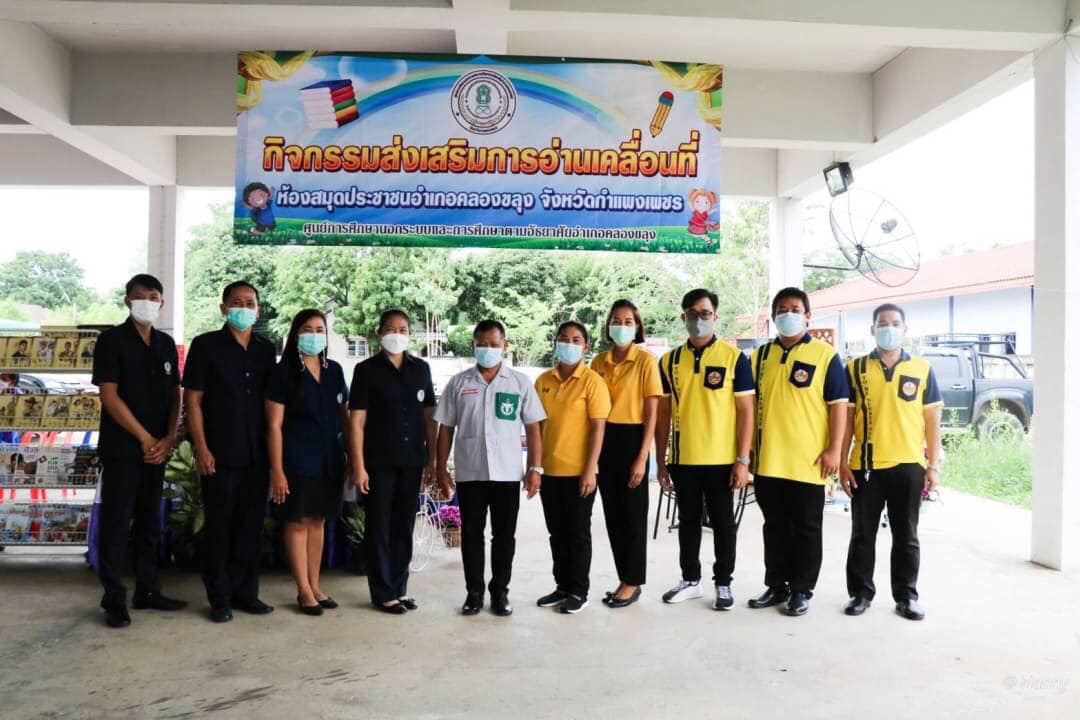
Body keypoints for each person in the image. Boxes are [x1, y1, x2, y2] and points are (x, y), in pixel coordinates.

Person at [748, 287, 849, 617]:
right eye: (781, 309)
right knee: (774, 526)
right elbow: (747, 406)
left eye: (794, 309)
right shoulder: (759, 357)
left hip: (809, 461)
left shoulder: (825, 355)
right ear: (773, 316)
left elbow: (838, 406)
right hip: (768, 460)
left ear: (808, 316)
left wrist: (834, 450)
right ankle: (777, 584)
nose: (787, 314)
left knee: (806, 528)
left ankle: (802, 589)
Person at [434, 320, 545, 616]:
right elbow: (445, 428)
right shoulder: (459, 383)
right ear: (473, 346)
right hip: (470, 472)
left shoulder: (519, 382)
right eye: (482, 344)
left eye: (494, 344)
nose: (488, 349)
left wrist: (535, 468)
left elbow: (533, 427)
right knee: (472, 535)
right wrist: (441, 468)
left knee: (504, 537)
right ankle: (474, 592)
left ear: (504, 346)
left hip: (507, 474)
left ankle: (500, 592)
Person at [839, 303, 943, 621]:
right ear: (872, 330)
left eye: (895, 323)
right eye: (882, 323)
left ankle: (906, 596)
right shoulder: (855, 368)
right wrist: (842, 462)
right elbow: (847, 419)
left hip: (909, 466)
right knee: (862, 535)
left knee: (906, 536)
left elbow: (932, 420)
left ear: (905, 329)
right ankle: (860, 593)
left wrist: (933, 466)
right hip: (866, 466)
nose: (889, 328)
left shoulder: (922, 369)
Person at [92, 273, 184, 629]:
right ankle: (114, 598)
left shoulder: (164, 343)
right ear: (127, 301)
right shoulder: (111, 341)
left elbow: (175, 394)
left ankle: (148, 589)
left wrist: (168, 438)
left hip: (157, 449)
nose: (148, 302)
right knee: (117, 522)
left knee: (149, 521)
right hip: (123, 449)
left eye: (154, 297)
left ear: (162, 303)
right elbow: (109, 396)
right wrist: (145, 438)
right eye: (140, 296)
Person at [182, 281, 277, 623]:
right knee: (220, 527)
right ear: (223, 308)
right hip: (219, 453)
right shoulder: (206, 345)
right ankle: (219, 597)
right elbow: (193, 401)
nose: (244, 308)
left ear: (258, 309)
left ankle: (246, 592)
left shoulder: (265, 349)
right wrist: (202, 448)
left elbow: (272, 406)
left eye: (250, 302)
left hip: (256, 454)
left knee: (250, 527)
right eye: (237, 302)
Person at [655, 289, 755, 611]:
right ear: (683, 317)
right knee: (688, 522)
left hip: (722, 461)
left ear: (716, 316)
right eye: (693, 313)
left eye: (706, 313)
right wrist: (661, 460)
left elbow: (746, 411)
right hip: (683, 459)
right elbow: (663, 414)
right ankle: (690, 580)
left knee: (723, 524)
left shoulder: (734, 358)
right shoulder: (668, 361)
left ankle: (723, 583)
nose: (699, 319)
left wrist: (743, 460)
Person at [349, 309, 436, 615]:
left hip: (412, 461)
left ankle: (399, 588)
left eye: (402, 329)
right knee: (379, 527)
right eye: (390, 329)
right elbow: (357, 422)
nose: (396, 334)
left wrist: (432, 460)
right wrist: (358, 466)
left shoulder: (421, 369)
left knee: (404, 525)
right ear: (379, 333)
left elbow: (429, 417)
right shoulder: (366, 370)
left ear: (410, 334)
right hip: (378, 462)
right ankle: (383, 592)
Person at [266, 309, 351, 616]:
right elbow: (274, 425)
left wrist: (352, 458)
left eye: (320, 329)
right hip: (297, 460)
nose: (314, 335)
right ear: (295, 334)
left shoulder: (334, 371)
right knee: (298, 521)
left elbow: (345, 417)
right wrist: (277, 470)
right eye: (307, 329)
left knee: (318, 520)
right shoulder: (283, 373)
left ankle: (315, 585)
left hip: (330, 460)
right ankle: (303, 590)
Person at [589, 300, 663, 608]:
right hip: (604, 438)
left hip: (633, 439)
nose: (621, 326)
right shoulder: (598, 362)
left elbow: (652, 412)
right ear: (608, 326)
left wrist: (643, 456)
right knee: (613, 516)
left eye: (628, 321)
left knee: (633, 516)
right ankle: (624, 578)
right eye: (616, 320)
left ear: (637, 327)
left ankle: (633, 582)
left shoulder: (645, 361)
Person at [534, 321, 611, 614]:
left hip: (580, 473)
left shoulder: (592, 382)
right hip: (550, 471)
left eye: (576, 339)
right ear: (555, 342)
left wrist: (590, 469)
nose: (569, 344)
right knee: (557, 533)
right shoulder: (543, 381)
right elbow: (536, 427)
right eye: (563, 338)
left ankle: (579, 591)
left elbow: (598, 429)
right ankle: (562, 586)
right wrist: (535, 468)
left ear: (586, 346)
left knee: (577, 533)